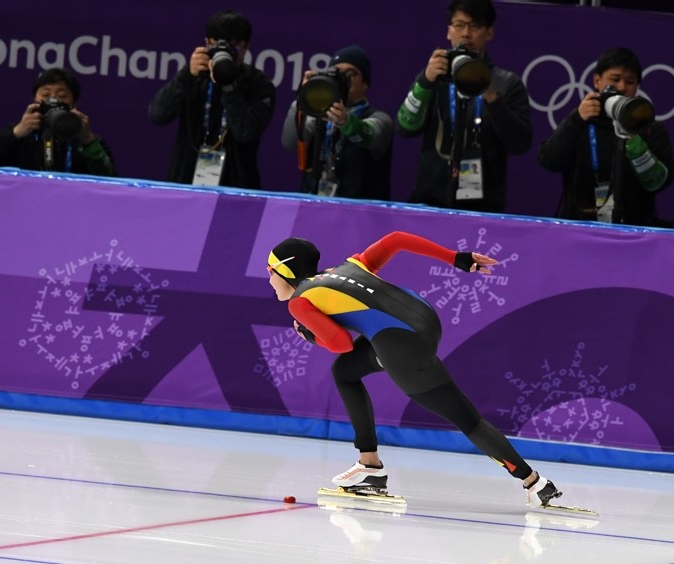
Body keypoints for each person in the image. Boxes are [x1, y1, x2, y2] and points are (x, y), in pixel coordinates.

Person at [266, 232, 562, 508]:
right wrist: (455, 257)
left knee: (466, 419)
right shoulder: (347, 266)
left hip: (401, 343)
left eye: (270, 271)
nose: (269, 279)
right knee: (345, 372)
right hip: (424, 321)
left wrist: (309, 334)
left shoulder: (300, 301)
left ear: (285, 270)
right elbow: (396, 239)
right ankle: (368, 464)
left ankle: (534, 483)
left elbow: (340, 343)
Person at [396, 0, 531, 213]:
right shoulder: (434, 77)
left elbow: (520, 144)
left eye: (475, 26)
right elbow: (405, 128)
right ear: (448, 31)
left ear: (489, 33)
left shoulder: (506, 83)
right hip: (429, 203)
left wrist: (492, 97)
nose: (466, 34)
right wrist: (425, 82)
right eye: (459, 25)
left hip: (483, 209)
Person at [537, 47, 672, 227]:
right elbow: (549, 160)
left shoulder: (649, 129)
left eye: (630, 81)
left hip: (634, 231)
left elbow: (659, 183)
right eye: (615, 79)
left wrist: (635, 142)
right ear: (597, 80)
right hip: (579, 228)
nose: (622, 87)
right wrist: (576, 119)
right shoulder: (581, 120)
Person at [148, 10, 275, 189]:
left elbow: (245, 133)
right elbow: (157, 115)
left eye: (233, 47)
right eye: (217, 45)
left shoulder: (259, 84)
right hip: (186, 180)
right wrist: (186, 75)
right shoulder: (194, 76)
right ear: (207, 43)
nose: (226, 53)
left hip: (237, 185)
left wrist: (229, 86)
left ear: (245, 47)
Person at [281, 45, 393, 200]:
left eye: (351, 74)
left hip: (358, 209)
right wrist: (302, 100)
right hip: (313, 203)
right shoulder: (317, 115)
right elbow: (290, 143)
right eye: (337, 73)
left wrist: (345, 121)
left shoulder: (380, 118)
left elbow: (370, 134)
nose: (344, 80)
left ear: (365, 83)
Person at [0, 68, 117, 176]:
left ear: (74, 103)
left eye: (62, 95)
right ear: (34, 99)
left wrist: (88, 141)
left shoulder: (84, 137)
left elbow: (111, 181)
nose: (53, 100)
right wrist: (16, 134)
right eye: (45, 94)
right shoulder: (19, 131)